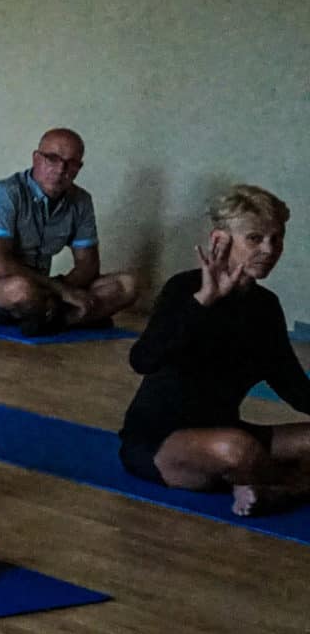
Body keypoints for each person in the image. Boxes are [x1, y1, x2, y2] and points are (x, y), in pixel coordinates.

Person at [119, 186, 310, 515]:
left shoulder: (265, 307)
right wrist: (203, 302)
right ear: (220, 240)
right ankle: (282, 484)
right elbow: (142, 360)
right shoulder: (184, 288)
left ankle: (270, 486)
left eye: (276, 239)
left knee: (244, 445)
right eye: (255, 238)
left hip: (227, 428)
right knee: (237, 450)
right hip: (161, 440)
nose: (269, 249)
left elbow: (291, 383)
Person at [0, 128, 140, 334]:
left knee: (127, 285)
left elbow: (88, 265)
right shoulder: (5, 194)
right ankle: (68, 317)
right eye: (52, 159)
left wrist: (64, 289)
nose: (60, 169)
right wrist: (63, 291)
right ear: (36, 159)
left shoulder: (81, 201)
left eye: (71, 163)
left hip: (42, 288)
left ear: (79, 168)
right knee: (20, 289)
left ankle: (48, 317)